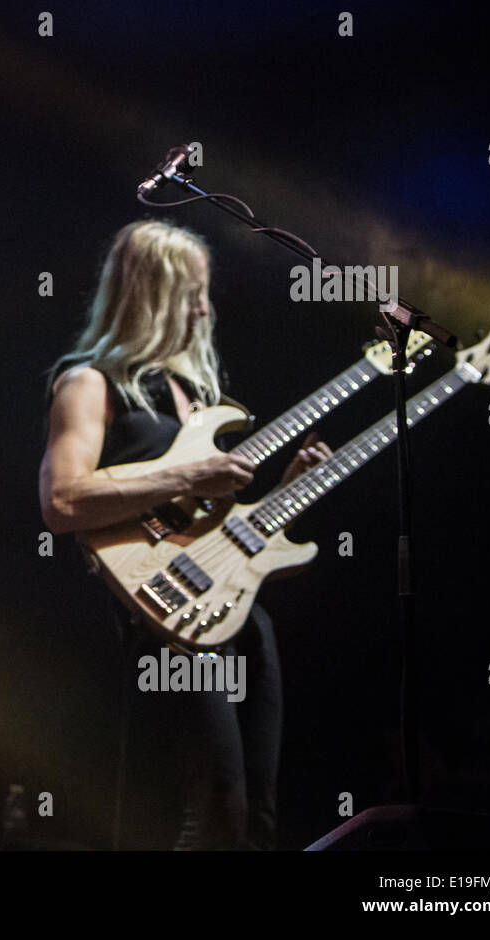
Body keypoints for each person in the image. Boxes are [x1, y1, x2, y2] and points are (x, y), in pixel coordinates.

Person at [38, 219, 330, 849]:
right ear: (153, 294)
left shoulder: (197, 396)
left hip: (235, 608)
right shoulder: (89, 382)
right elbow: (62, 501)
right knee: (214, 800)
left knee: (260, 804)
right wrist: (192, 470)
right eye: (192, 291)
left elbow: (213, 528)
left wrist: (286, 489)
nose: (205, 307)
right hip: (162, 615)